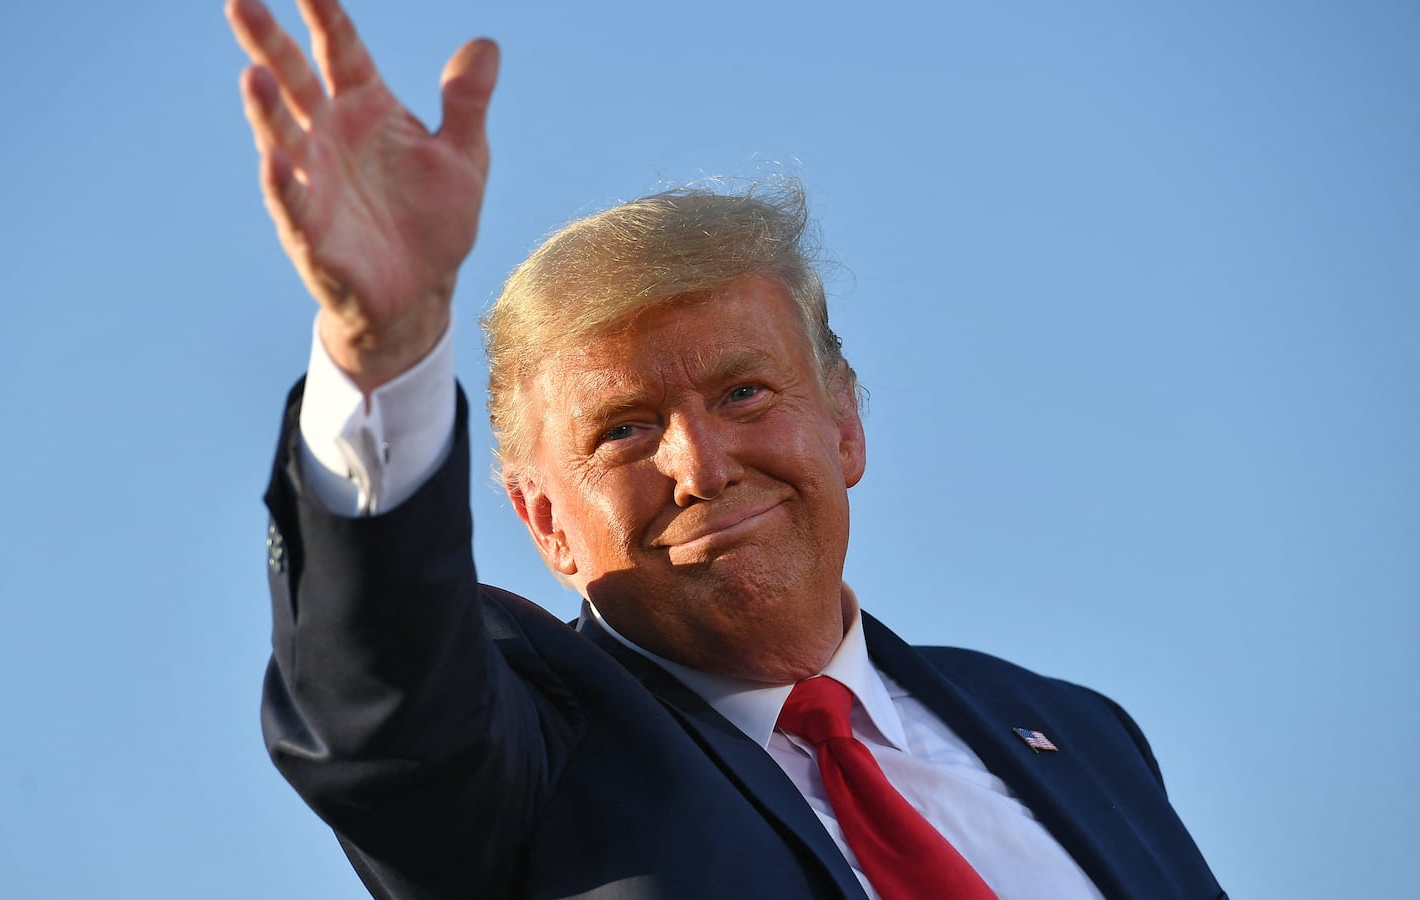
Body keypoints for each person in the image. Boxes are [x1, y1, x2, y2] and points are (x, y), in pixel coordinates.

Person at [226, 1, 1227, 897]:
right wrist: (383, 350)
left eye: (744, 392)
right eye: (623, 431)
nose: (700, 467)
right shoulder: (526, 753)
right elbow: (381, 690)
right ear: (544, 522)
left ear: (845, 422)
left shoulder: (1076, 733)